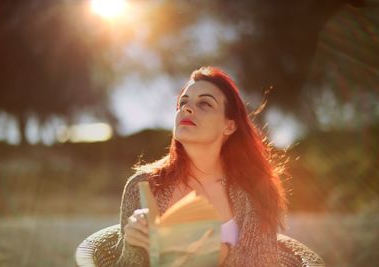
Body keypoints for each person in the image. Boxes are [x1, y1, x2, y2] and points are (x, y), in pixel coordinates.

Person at [114, 66, 288, 267]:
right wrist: (132, 245)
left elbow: (265, 263)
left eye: (205, 104)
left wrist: (219, 252)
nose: (186, 109)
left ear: (229, 126)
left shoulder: (256, 190)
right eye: (183, 103)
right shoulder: (142, 185)